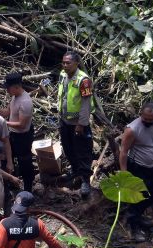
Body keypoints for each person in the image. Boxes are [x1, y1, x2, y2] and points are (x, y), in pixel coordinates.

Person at [119, 102, 153, 242]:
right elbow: (123, 151)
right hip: (137, 167)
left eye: (150, 120)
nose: (147, 122)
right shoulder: (133, 129)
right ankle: (133, 227)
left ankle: (140, 217)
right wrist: (124, 173)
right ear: (140, 115)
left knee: (150, 195)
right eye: (145, 119)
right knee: (137, 198)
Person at [57, 51, 95, 196]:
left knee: (83, 151)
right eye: (63, 62)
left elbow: (86, 104)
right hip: (64, 121)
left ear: (76, 63)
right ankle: (74, 171)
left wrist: (81, 124)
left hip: (78, 123)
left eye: (68, 63)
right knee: (68, 148)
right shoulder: (62, 75)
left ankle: (85, 180)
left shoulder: (83, 80)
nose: (65, 65)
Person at [0, 72, 35, 193]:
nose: (7, 91)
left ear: (16, 87)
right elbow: (7, 113)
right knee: (6, 159)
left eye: (8, 88)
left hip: (23, 136)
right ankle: (8, 185)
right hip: (12, 134)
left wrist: (4, 123)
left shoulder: (25, 102)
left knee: (24, 161)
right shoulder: (14, 97)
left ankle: (28, 188)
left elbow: (22, 125)